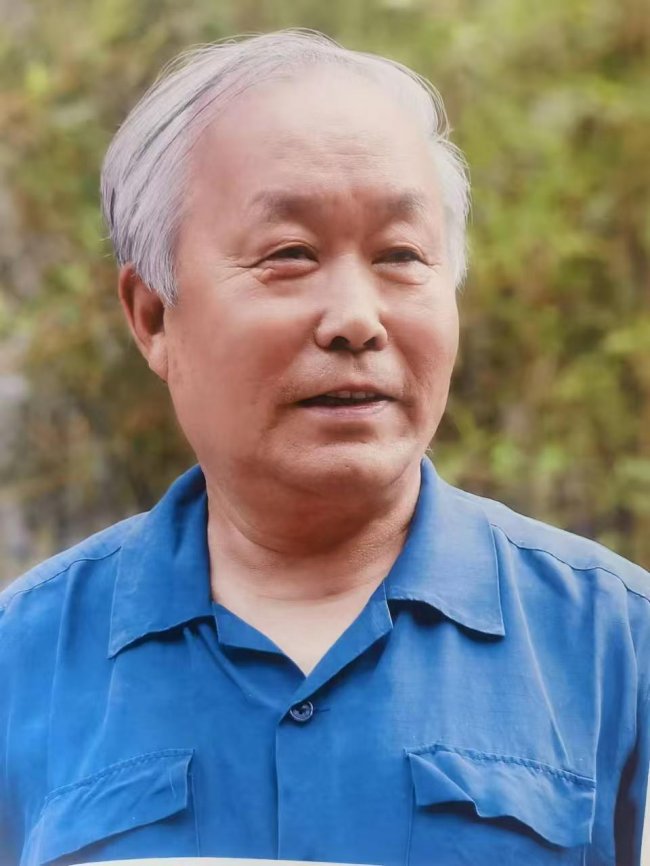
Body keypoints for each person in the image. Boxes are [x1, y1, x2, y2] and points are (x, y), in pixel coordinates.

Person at [0, 29, 647, 866]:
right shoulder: (23, 660)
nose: (355, 319)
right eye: (290, 256)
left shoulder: (617, 649)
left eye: (402, 256)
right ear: (153, 316)